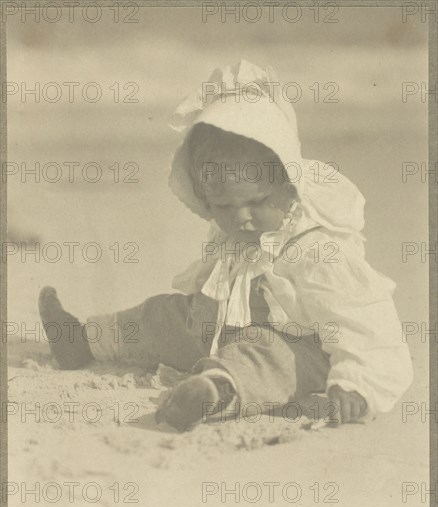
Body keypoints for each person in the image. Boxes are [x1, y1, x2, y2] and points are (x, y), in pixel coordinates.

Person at [39, 60, 413, 432]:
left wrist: (355, 384)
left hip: (296, 346)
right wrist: (195, 311)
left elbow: (362, 320)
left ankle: (212, 391)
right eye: (223, 206)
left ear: (289, 185)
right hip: (219, 327)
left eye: (256, 202)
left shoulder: (314, 249)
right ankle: (83, 340)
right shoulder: (235, 233)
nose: (241, 219)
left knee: (265, 358)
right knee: (164, 316)